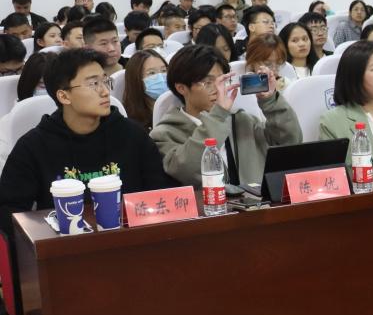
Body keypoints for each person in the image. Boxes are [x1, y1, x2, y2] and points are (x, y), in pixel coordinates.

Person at [0, 48, 168, 239]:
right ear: (64, 96)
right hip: (64, 244)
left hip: (131, 239)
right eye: (93, 84)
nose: (105, 91)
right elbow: (9, 212)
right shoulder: (33, 146)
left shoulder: (133, 135)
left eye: (105, 81)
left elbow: (159, 193)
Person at [151, 45, 300, 190]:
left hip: (257, 203)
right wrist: (218, 114)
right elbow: (188, 171)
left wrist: (271, 102)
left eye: (222, 81)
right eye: (208, 82)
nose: (218, 89)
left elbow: (289, 143)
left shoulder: (242, 121)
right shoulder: (164, 134)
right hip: (209, 206)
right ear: (181, 88)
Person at [122, 49, 169, 131]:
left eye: (164, 71)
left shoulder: (178, 106)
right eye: (152, 73)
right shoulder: (131, 123)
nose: (161, 78)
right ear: (136, 79)